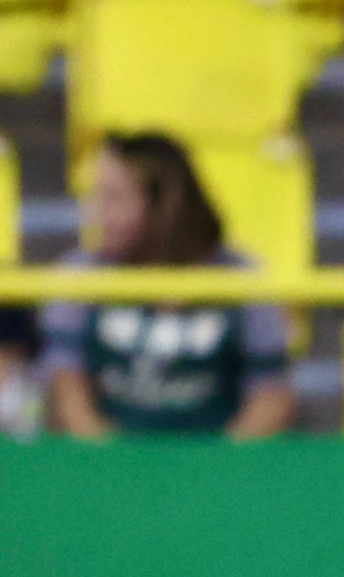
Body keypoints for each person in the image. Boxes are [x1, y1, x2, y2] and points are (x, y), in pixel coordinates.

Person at [41, 133, 295, 440]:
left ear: (165, 203)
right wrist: (111, 459)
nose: (95, 214)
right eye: (95, 197)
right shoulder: (81, 274)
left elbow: (270, 394)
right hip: (108, 461)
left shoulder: (240, 278)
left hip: (219, 461)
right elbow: (66, 387)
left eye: (114, 198)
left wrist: (219, 461)